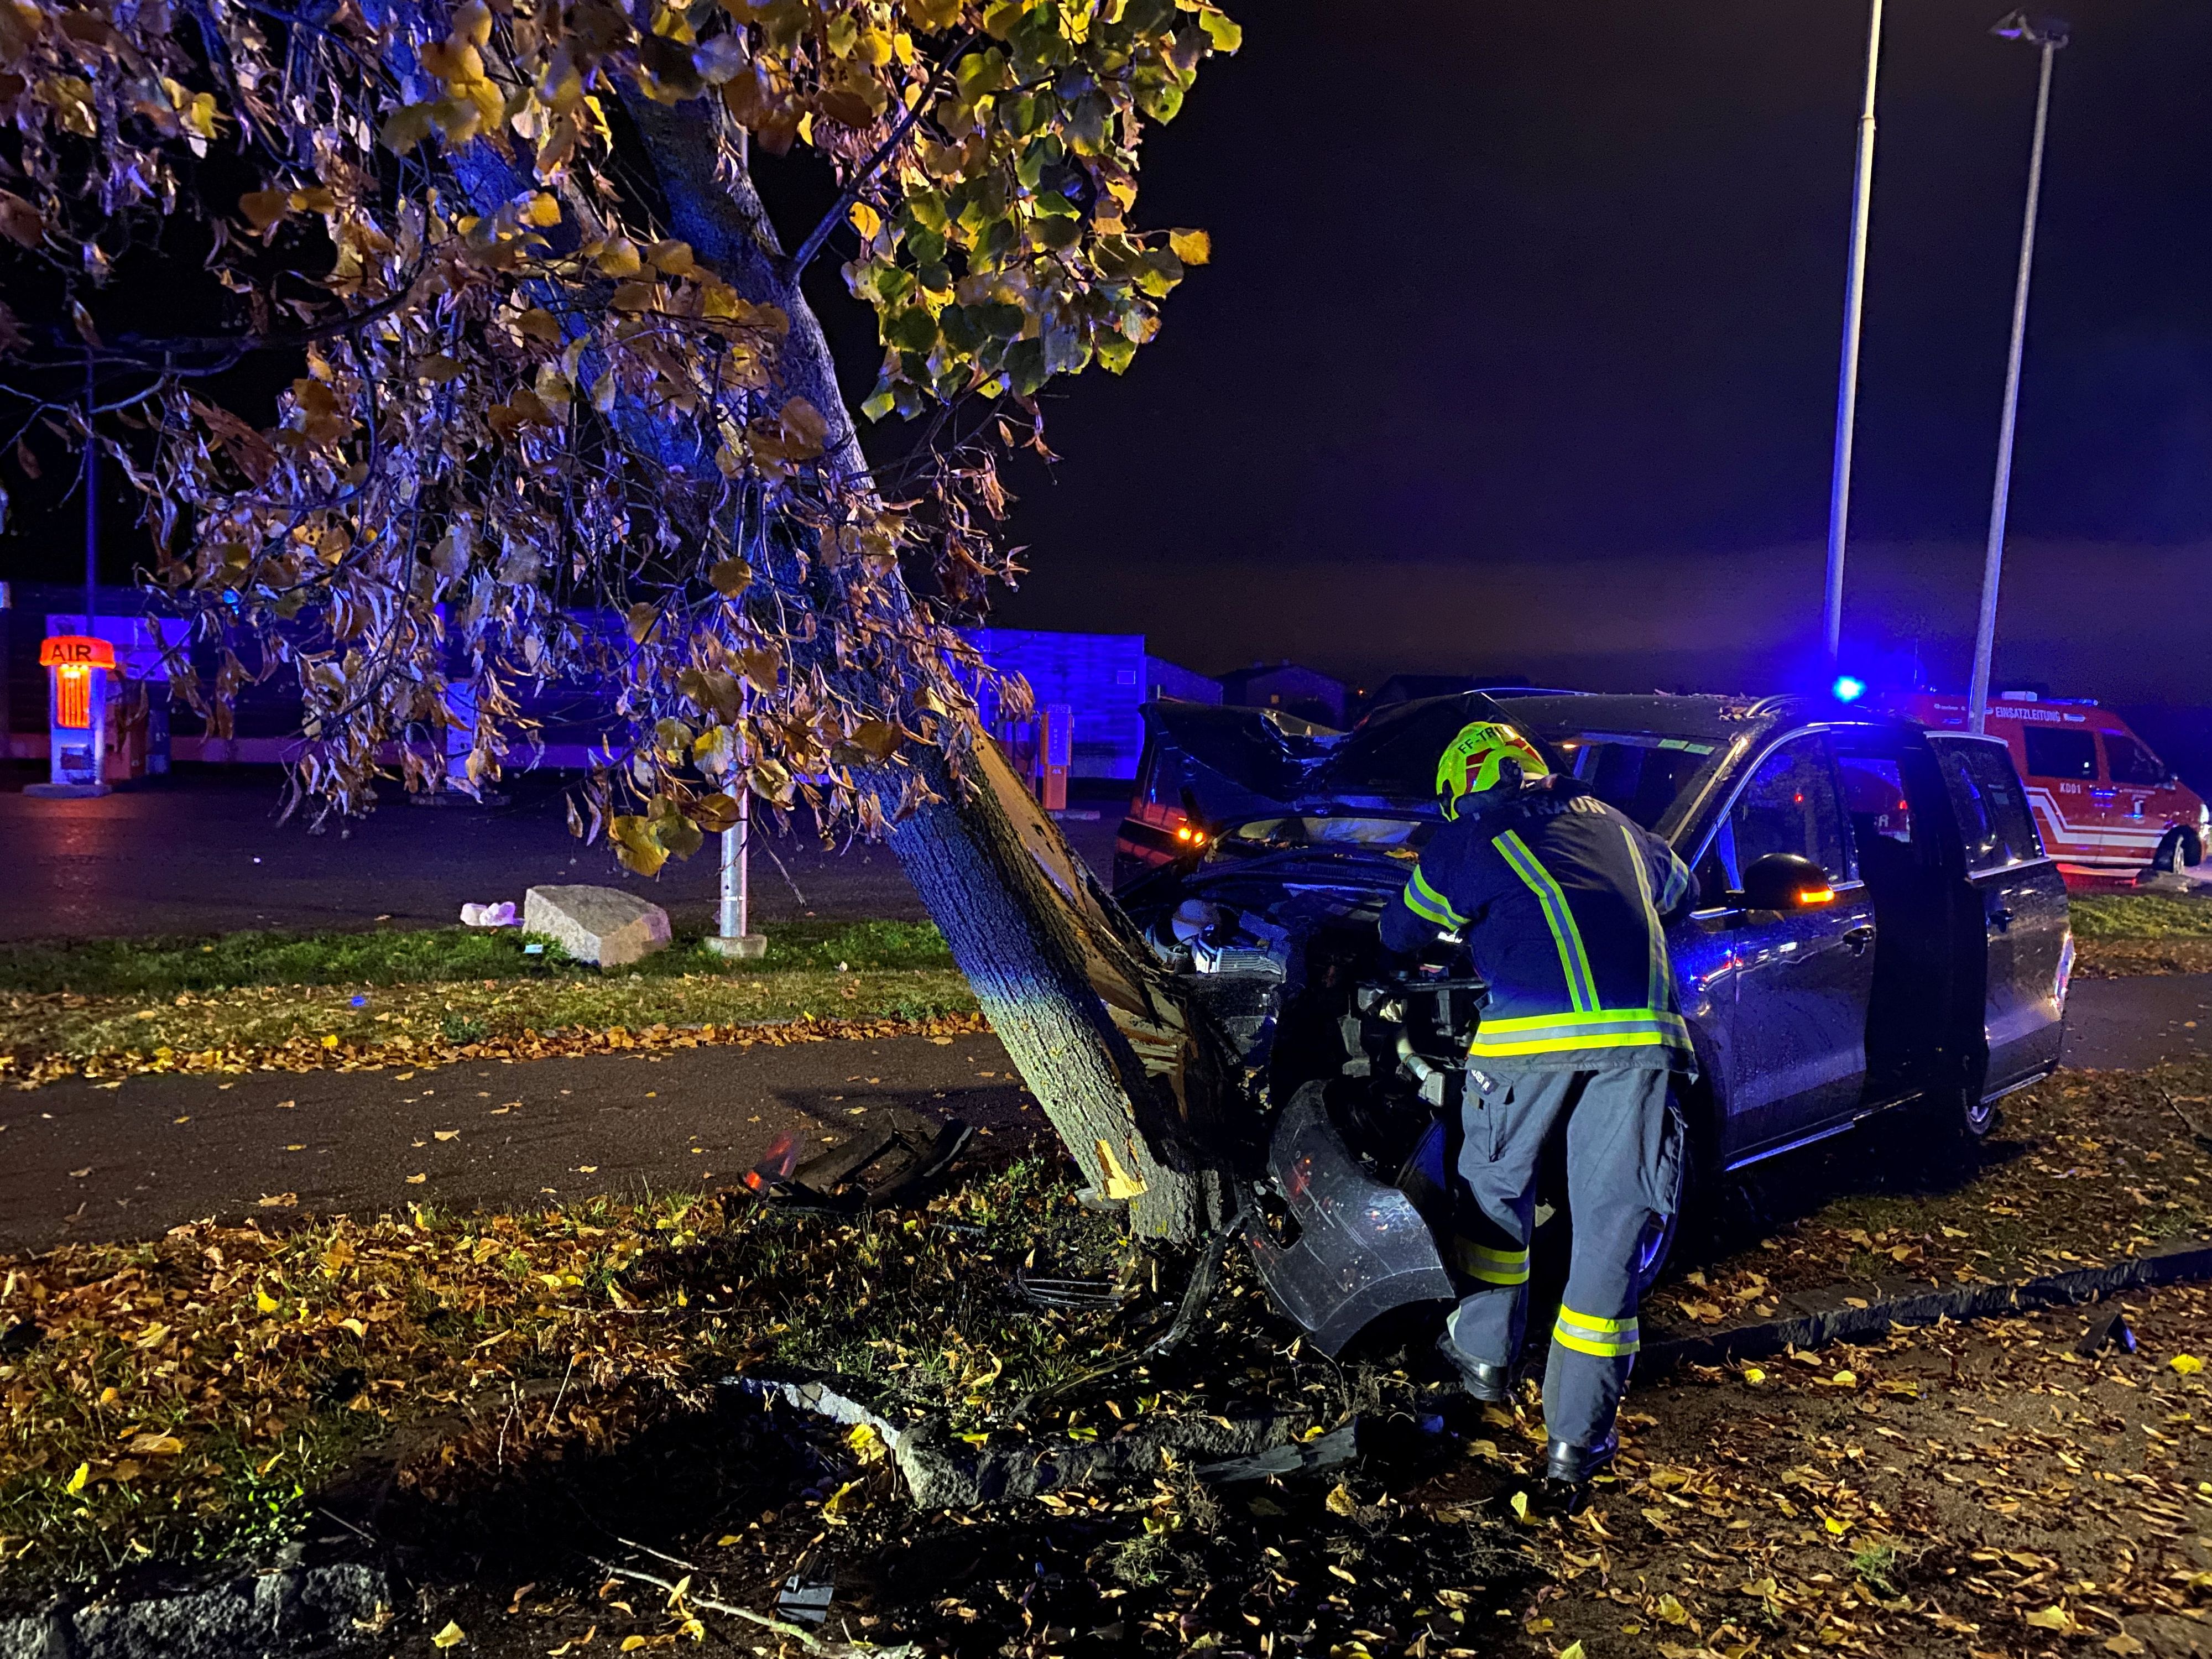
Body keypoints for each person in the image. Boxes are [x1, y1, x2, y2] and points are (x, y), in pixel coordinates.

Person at [1379, 718, 1696, 1484]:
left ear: (1460, 793)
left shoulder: (1466, 839)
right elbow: (1681, 891)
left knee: (1493, 1202)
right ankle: (1576, 1443)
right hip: (1641, 1051)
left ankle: (1485, 1357)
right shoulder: (1621, 827)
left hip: (1525, 1049)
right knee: (1612, 1235)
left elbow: (1398, 932)